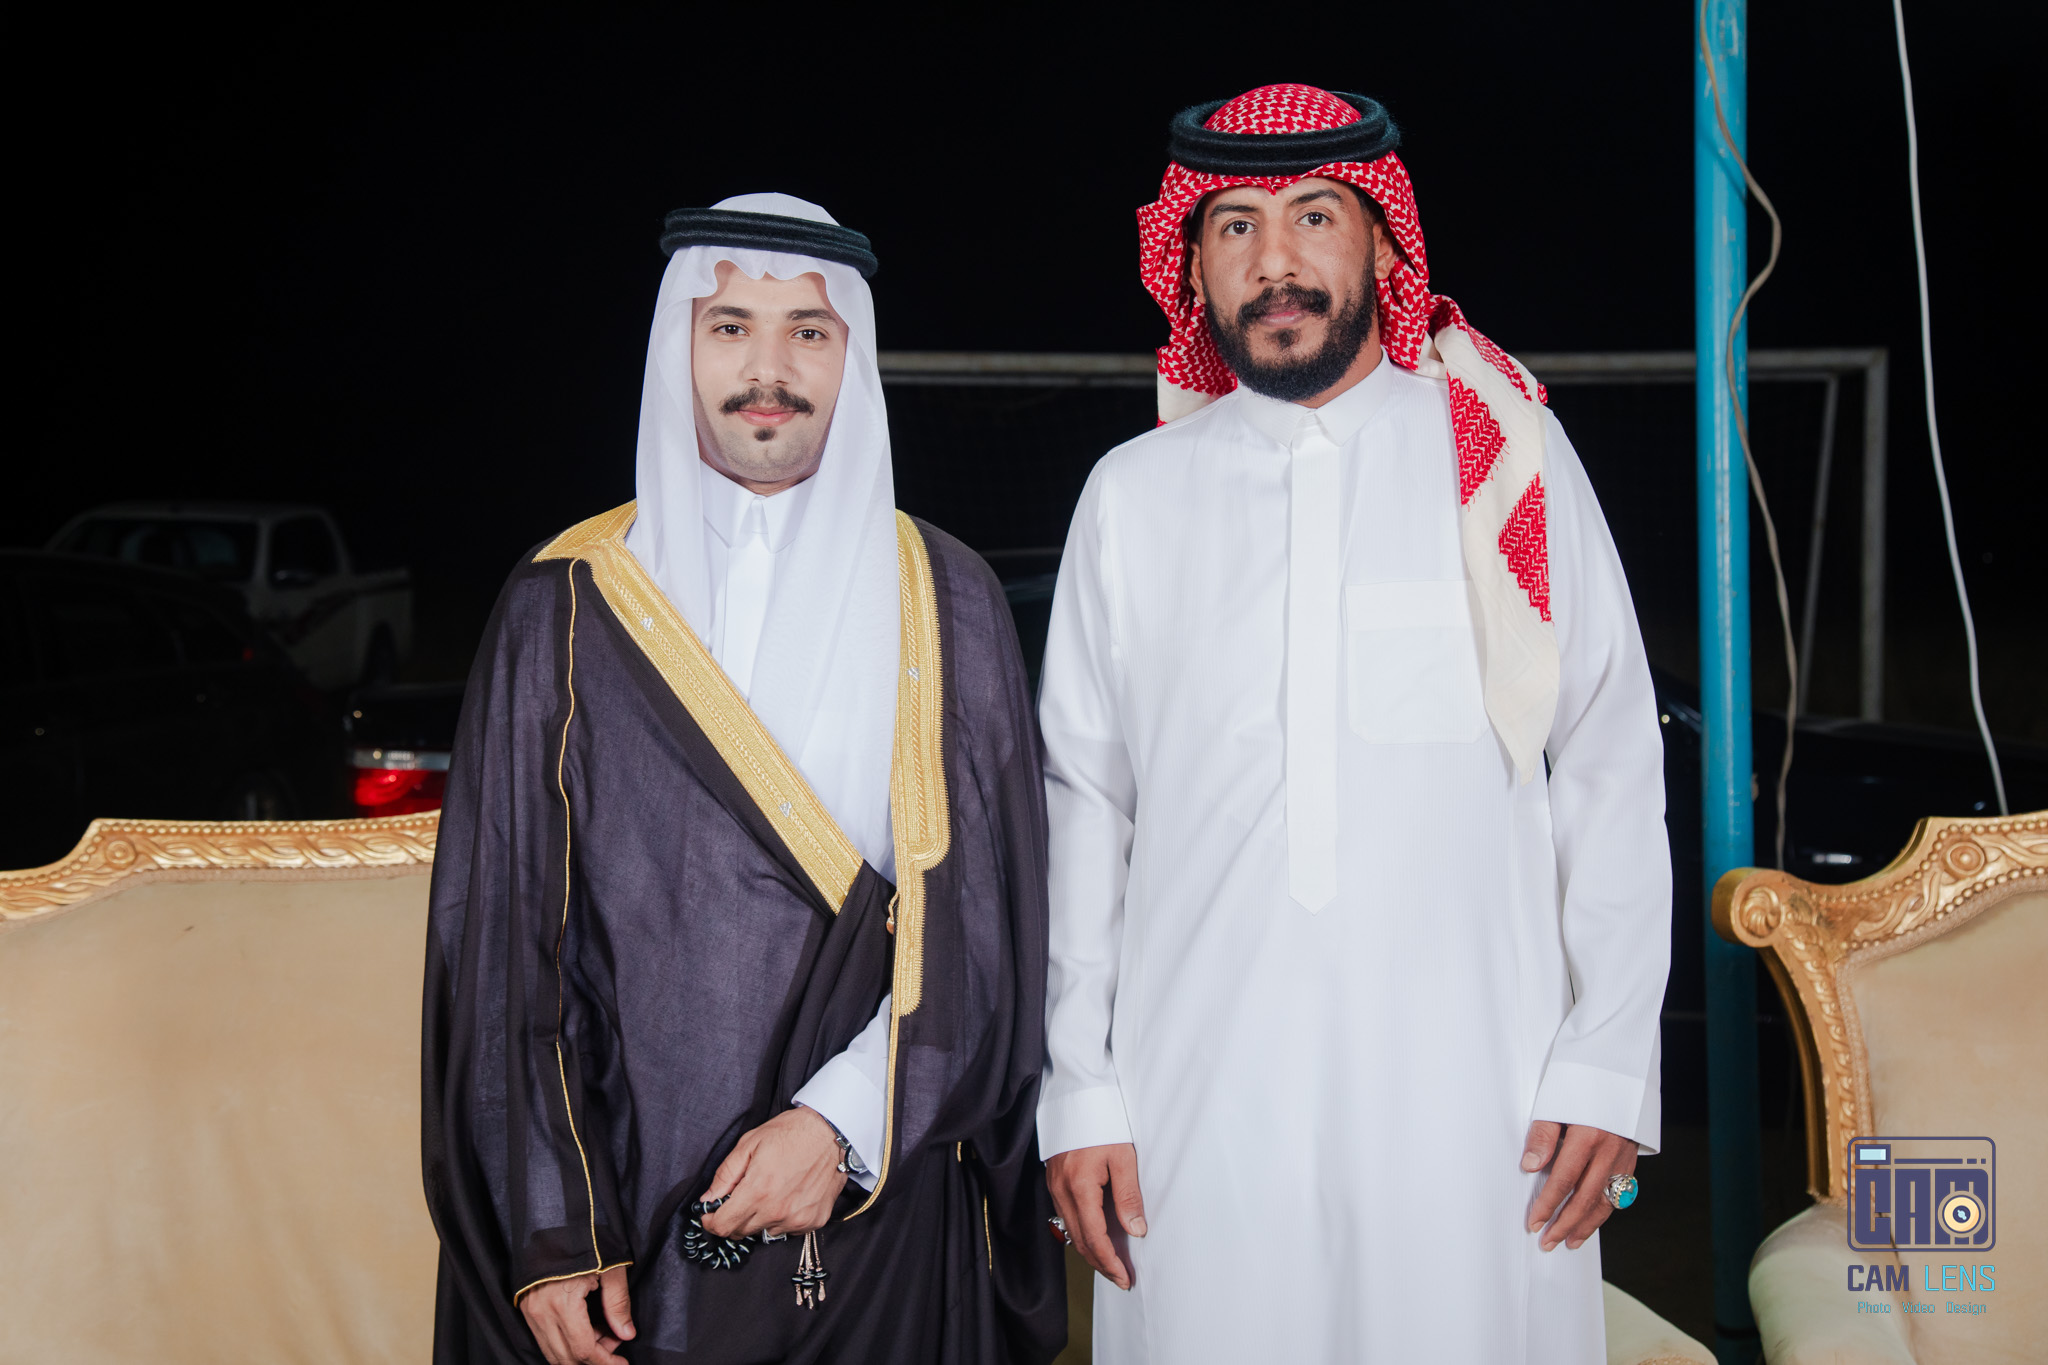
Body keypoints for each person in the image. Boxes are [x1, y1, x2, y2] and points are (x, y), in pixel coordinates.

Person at [1036, 87, 1670, 1362]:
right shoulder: (1131, 496)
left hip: (1479, 1101)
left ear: (1380, 240)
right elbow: (1083, 805)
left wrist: (1606, 1061)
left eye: (1313, 216)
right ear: (1190, 264)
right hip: (1196, 1099)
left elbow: (1606, 758)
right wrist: (1080, 1087)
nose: (1274, 261)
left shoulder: (1506, 458)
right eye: (1234, 226)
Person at [424, 193, 1064, 1365]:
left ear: (851, 356)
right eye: (729, 328)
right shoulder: (561, 600)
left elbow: (986, 932)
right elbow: (506, 940)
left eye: (807, 332)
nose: (768, 370)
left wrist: (843, 1124)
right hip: (619, 1220)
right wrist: (553, 1229)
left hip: (873, 1210)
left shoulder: (946, 596)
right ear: (678, 345)